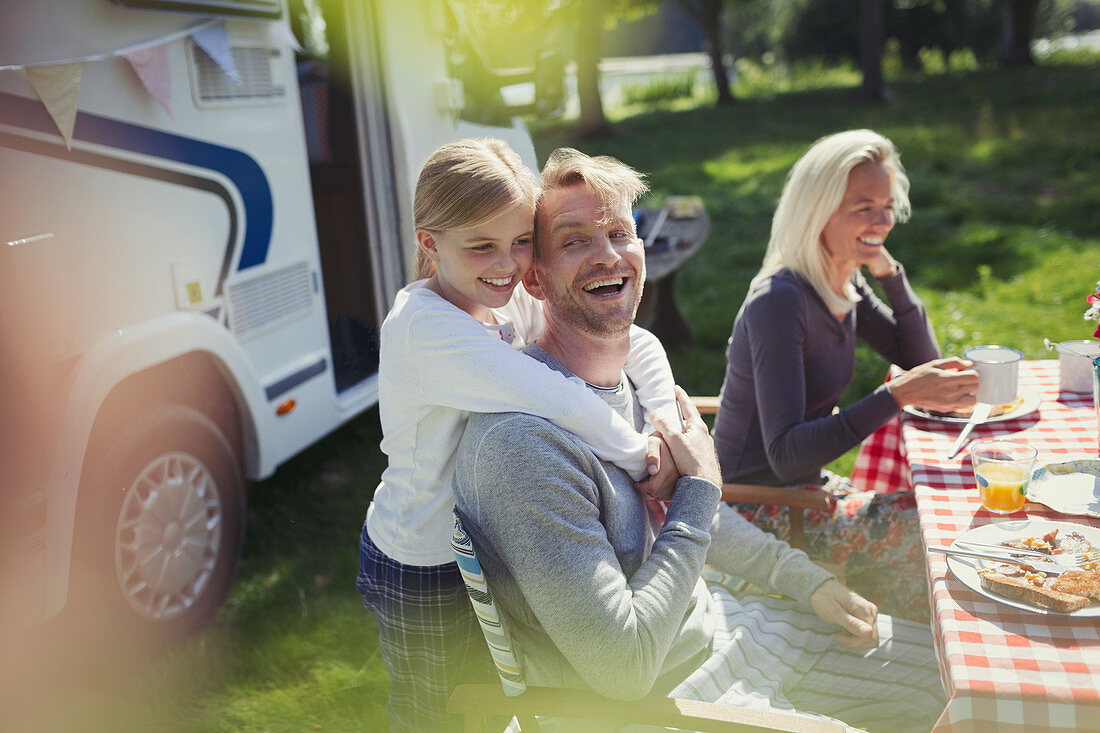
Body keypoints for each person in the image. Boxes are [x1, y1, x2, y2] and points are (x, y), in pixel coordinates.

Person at [452, 147, 946, 732]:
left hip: (733, 623)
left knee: (961, 682)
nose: (608, 254)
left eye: (619, 232)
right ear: (535, 279)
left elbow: (694, 512)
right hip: (671, 699)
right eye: (575, 240)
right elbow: (624, 668)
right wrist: (700, 488)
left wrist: (800, 577)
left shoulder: (637, 380)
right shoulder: (524, 446)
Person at [356, 139, 679, 732]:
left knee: (492, 706)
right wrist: (642, 459)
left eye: (521, 242)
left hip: (486, 542)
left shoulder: (498, 301)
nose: (508, 265)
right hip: (422, 560)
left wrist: (664, 423)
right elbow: (557, 397)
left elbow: (640, 344)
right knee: (435, 716)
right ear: (430, 243)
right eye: (482, 247)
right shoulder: (425, 326)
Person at [710, 129, 978, 619]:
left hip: (800, 491)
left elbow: (921, 360)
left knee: (940, 522)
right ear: (819, 211)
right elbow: (787, 456)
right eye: (863, 208)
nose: (881, 221)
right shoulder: (781, 301)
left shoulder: (839, 279)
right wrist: (897, 395)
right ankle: (928, 661)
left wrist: (890, 274)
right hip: (755, 510)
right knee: (935, 532)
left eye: (886, 206)